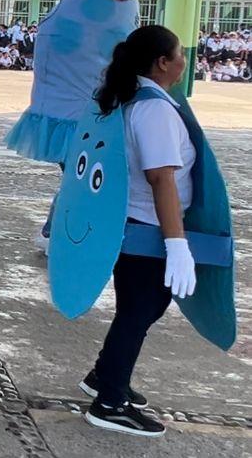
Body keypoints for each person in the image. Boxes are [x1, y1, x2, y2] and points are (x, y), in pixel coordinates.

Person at [71, 26, 196, 437]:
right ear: (163, 62)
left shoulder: (130, 98)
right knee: (138, 313)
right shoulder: (155, 109)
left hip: (131, 221)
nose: (183, 62)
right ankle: (109, 402)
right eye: (180, 54)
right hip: (148, 226)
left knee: (140, 309)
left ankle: (105, 375)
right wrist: (176, 243)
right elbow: (161, 178)